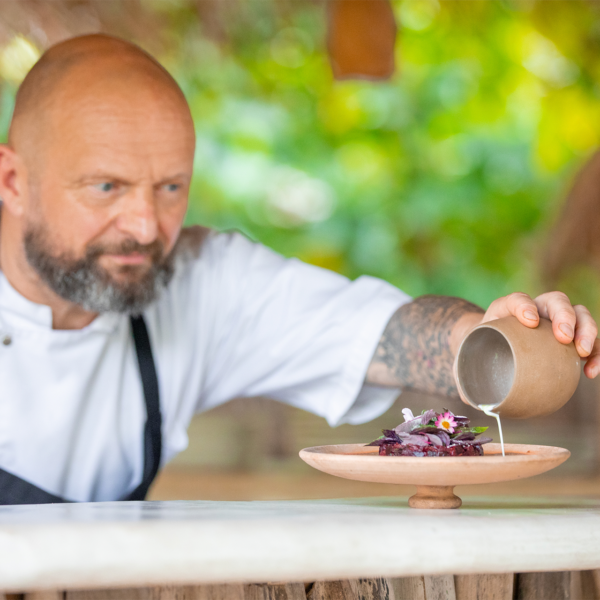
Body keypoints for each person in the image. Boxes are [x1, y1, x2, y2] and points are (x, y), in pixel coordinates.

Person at [0, 34, 597, 504]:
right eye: (106, 187)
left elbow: (388, 335)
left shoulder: (202, 281)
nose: (146, 226)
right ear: (12, 181)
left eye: (170, 187)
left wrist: (494, 335)